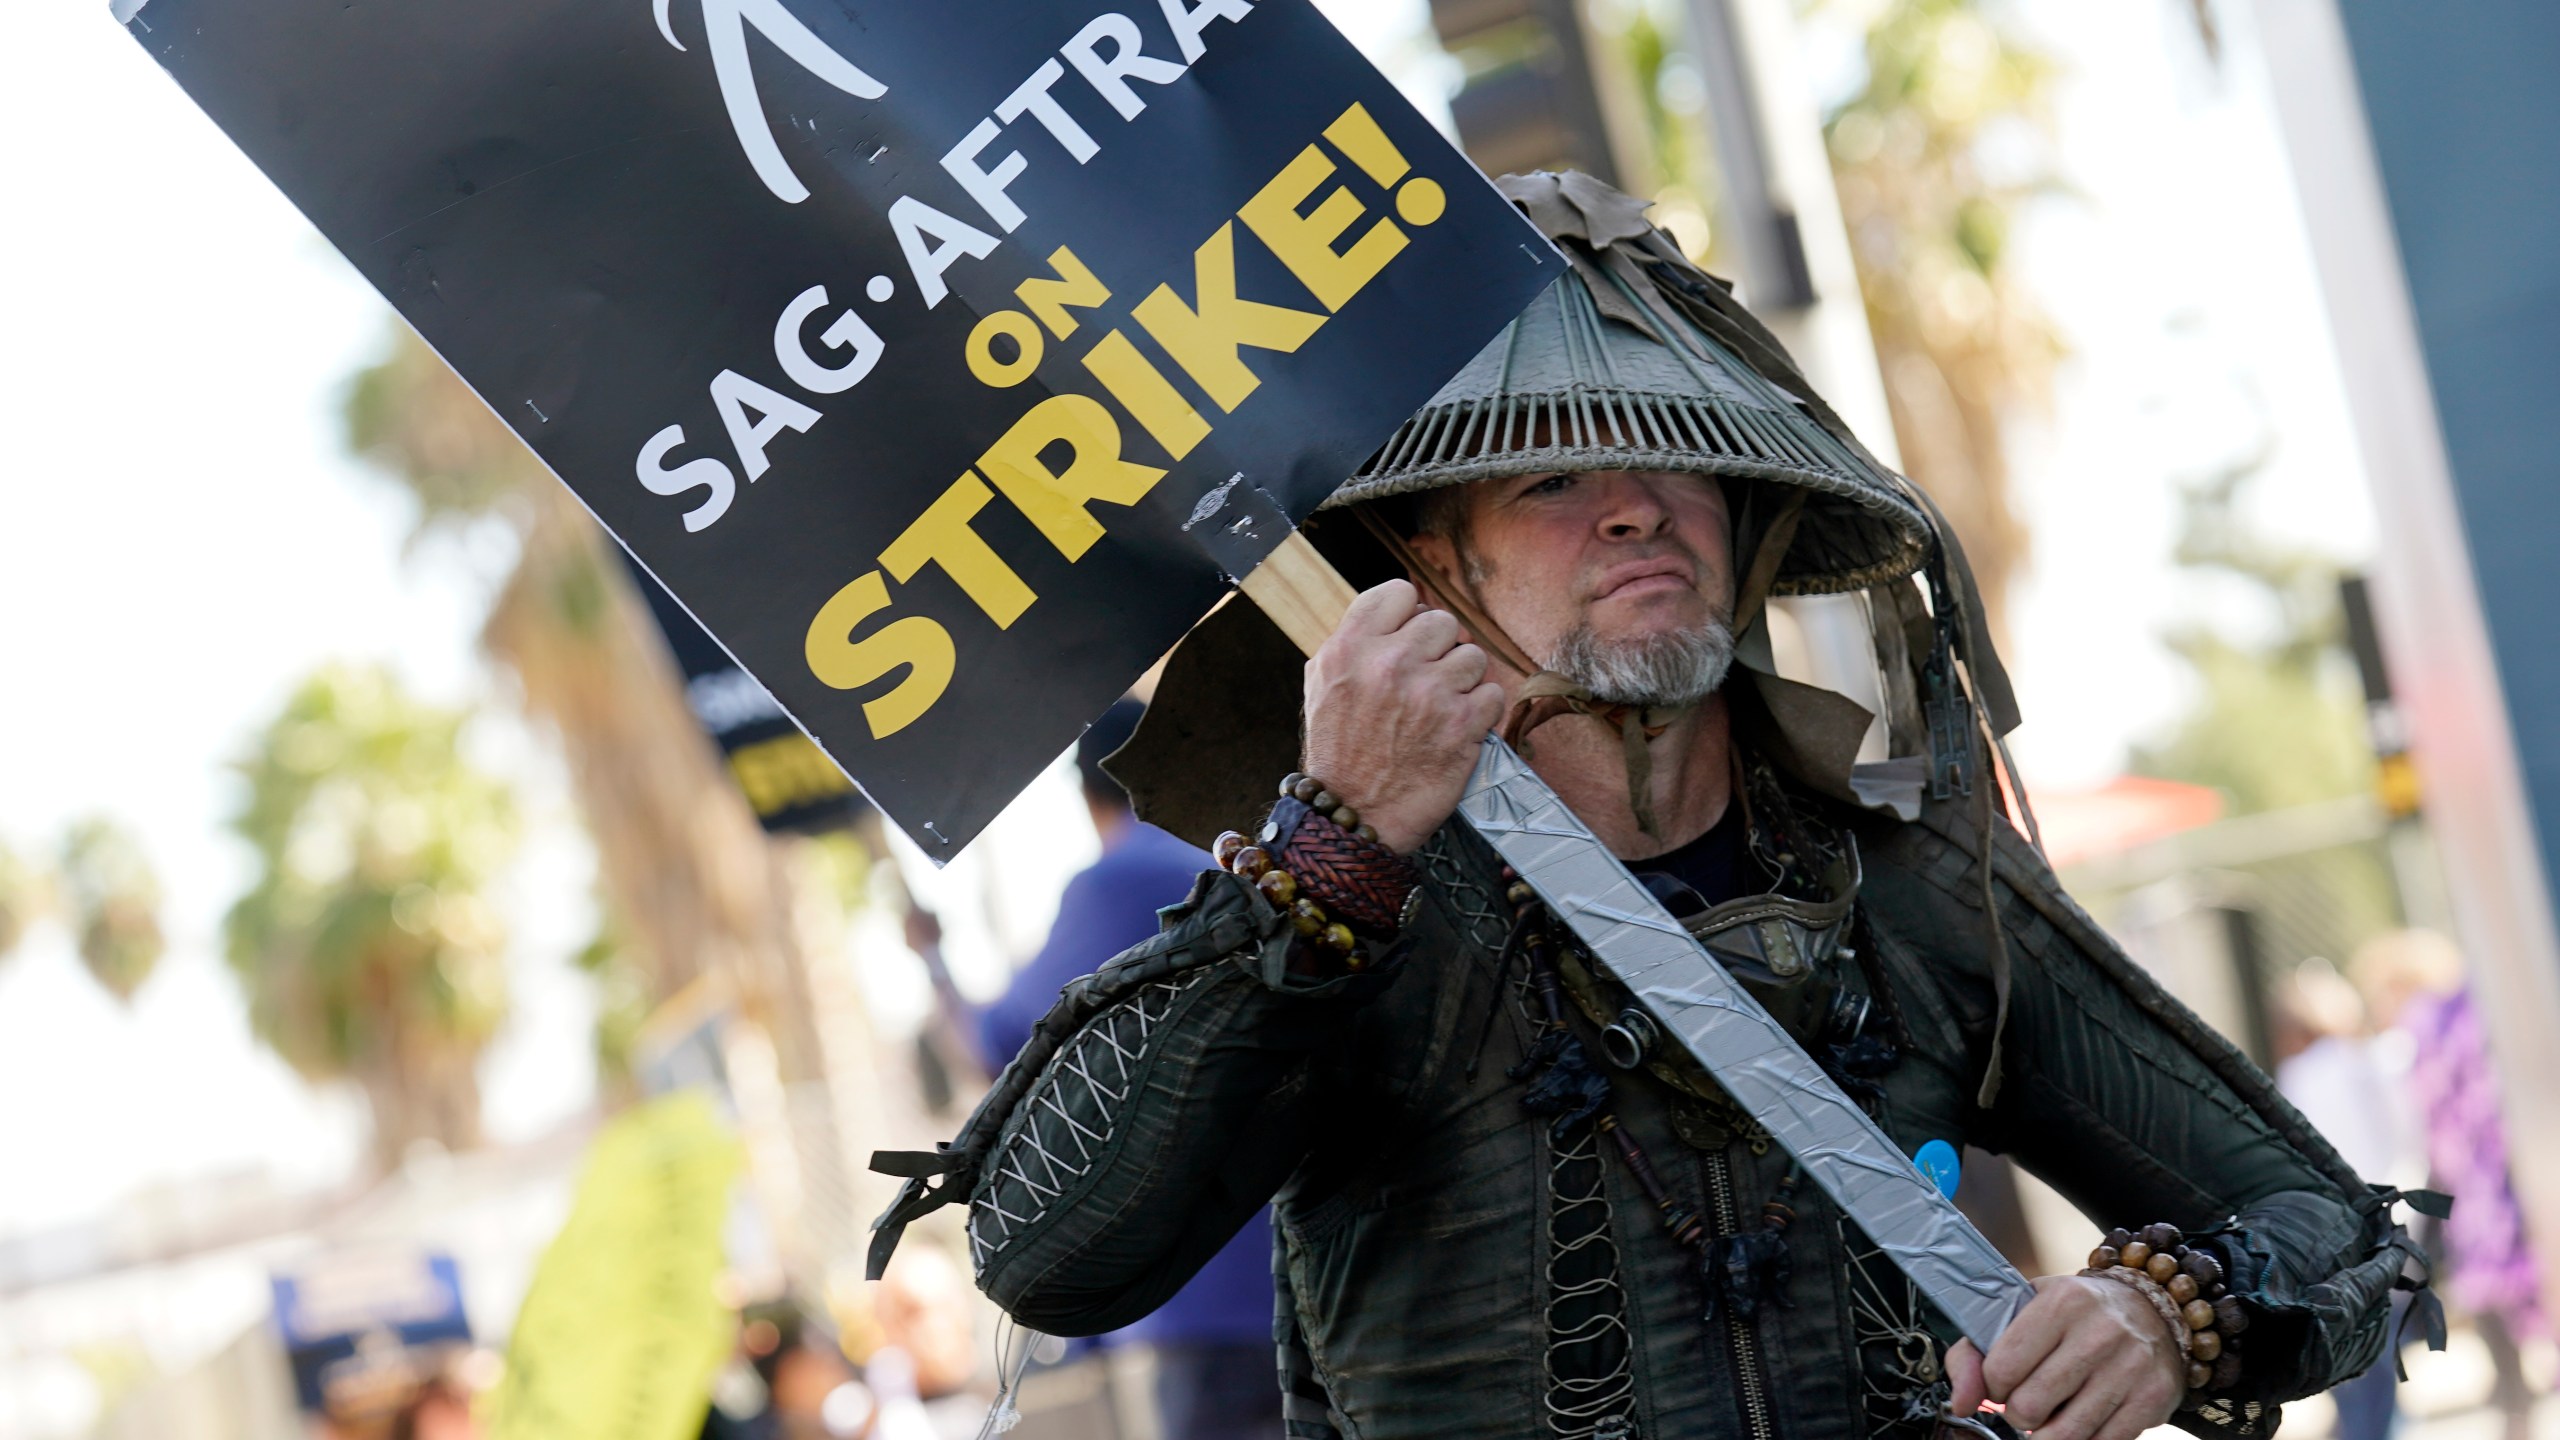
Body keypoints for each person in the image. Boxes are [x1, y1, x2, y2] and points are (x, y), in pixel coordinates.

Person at [872, 172, 2420, 1440]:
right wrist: (1334, 846)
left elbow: (2334, 1221)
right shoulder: (1343, 906)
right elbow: (1045, 1256)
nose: (1634, 503)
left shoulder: (1912, 888)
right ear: (1427, 566)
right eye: (1547, 478)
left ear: (1746, 526)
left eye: (1681, 461)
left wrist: (2172, 1308)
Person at [976, 698, 1284, 1440]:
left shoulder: (1116, 881)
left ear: (1089, 794)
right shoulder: (1246, 869)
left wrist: (929, 960)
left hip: (1203, 1287)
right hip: (1287, 1253)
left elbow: (1002, 1040)